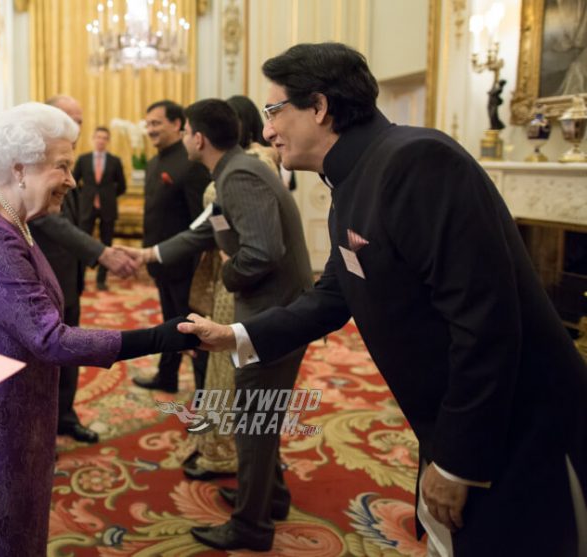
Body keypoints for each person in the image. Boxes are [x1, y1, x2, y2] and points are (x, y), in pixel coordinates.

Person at [178, 43, 587, 557]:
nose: (267, 131)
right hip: (459, 417)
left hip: (517, 428)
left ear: (320, 108)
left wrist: (460, 462)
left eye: (274, 111)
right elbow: (335, 292)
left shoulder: (417, 161)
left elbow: (485, 323)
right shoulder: (353, 176)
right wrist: (239, 335)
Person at [0, 102, 198, 557]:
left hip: (15, 408)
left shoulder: (11, 220)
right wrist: (162, 336)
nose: (73, 181)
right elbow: (51, 338)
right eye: (62, 166)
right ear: (20, 168)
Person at [135, 99, 312, 552]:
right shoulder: (229, 173)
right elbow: (210, 232)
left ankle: (251, 527)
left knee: (254, 419)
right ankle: (270, 498)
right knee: (261, 412)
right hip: (268, 312)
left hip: (268, 316)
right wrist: (150, 255)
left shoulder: (239, 175)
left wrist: (230, 276)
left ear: (198, 137)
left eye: (189, 129)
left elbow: (262, 252)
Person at [178, 95, 281, 482]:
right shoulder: (238, 166)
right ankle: (218, 448)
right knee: (220, 367)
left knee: (233, 370)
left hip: (239, 279)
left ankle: (229, 457)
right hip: (227, 277)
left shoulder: (248, 167)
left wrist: (232, 270)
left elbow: (263, 247)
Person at [31, 95, 137, 445]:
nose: (77, 127)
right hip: (40, 279)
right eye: (69, 119)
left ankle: (65, 416)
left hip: (69, 277)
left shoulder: (67, 156)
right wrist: (101, 253)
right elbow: (49, 220)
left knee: (70, 351)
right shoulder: (35, 159)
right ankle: (40, 432)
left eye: (79, 119)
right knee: (43, 360)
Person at [133, 100, 211, 394]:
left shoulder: (191, 164)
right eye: (148, 124)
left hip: (186, 268)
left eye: (157, 123)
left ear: (178, 125)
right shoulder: (154, 162)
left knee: (195, 333)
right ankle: (167, 377)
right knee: (170, 324)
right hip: (161, 264)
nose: (150, 129)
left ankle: (205, 401)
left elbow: (199, 223)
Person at [73, 125, 127, 291]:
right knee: (81, 244)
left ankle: (101, 280)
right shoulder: (83, 159)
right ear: (93, 139)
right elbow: (74, 182)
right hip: (86, 207)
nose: (101, 141)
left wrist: (108, 196)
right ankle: (79, 280)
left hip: (108, 208)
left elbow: (122, 186)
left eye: (105, 138)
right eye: (98, 137)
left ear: (108, 141)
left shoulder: (114, 160)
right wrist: (86, 196)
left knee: (106, 244)